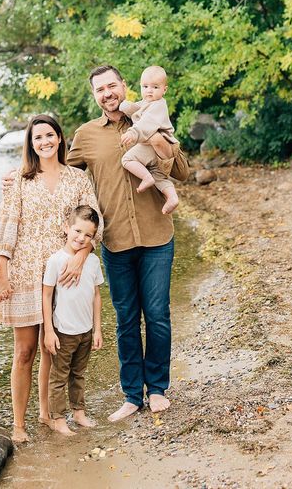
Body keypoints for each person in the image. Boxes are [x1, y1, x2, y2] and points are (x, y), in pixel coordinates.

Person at [67, 64, 189, 422]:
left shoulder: (151, 115)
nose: (107, 93)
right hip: (116, 242)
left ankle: (159, 389)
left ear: (123, 86)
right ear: (95, 96)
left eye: (112, 85)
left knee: (157, 316)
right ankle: (132, 394)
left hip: (157, 236)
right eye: (99, 89)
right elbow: (60, 173)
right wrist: (22, 172)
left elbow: (181, 170)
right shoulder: (86, 135)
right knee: (125, 321)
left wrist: (154, 138)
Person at [0, 114, 103, 443]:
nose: (45, 142)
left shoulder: (78, 178)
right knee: (25, 351)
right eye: (37, 137)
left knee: (52, 349)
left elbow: (96, 221)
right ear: (31, 144)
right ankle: (18, 424)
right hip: (26, 274)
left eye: (50, 135)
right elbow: (6, 226)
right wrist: (1, 271)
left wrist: (82, 256)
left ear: (59, 138)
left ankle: (48, 414)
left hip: (63, 276)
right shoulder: (20, 180)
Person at [42, 205, 104, 435]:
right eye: (77, 231)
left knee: (78, 374)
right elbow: (47, 295)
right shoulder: (56, 261)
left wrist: (97, 329)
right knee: (59, 377)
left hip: (85, 330)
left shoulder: (93, 262)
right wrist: (49, 330)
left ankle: (78, 412)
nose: (81, 238)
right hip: (63, 331)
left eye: (88, 235)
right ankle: (58, 418)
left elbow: (96, 296)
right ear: (66, 228)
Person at [119, 65, 179, 215]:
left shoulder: (159, 105)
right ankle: (172, 197)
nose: (149, 90)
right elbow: (136, 109)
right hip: (155, 150)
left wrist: (133, 133)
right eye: (145, 86)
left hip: (154, 146)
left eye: (155, 87)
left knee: (127, 159)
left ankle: (146, 178)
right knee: (159, 176)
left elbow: (147, 123)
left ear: (164, 90)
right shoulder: (147, 103)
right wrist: (126, 106)